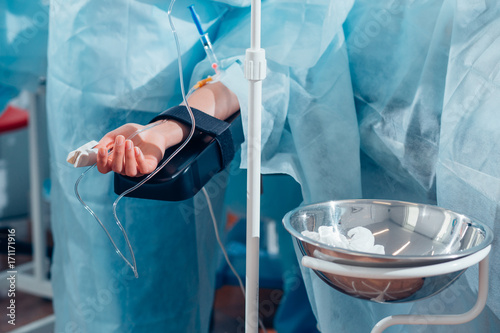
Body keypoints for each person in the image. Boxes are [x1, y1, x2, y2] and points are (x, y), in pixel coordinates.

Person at [46, 0, 339, 332]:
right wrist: (171, 126)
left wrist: (171, 126)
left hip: (174, 79)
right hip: (101, 73)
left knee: (155, 281)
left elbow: (280, 45)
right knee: (100, 275)